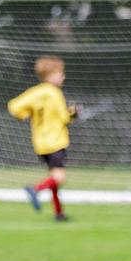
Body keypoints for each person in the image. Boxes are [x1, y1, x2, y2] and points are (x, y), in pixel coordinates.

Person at [8, 55, 78, 222]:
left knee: (54, 179)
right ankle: (35, 189)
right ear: (51, 74)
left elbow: (14, 107)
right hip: (55, 142)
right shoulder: (54, 93)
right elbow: (64, 118)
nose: (63, 76)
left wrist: (26, 114)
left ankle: (59, 213)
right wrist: (73, 113)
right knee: (59, 178)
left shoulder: (36, 92)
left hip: (40, 143)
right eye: (61, 73)